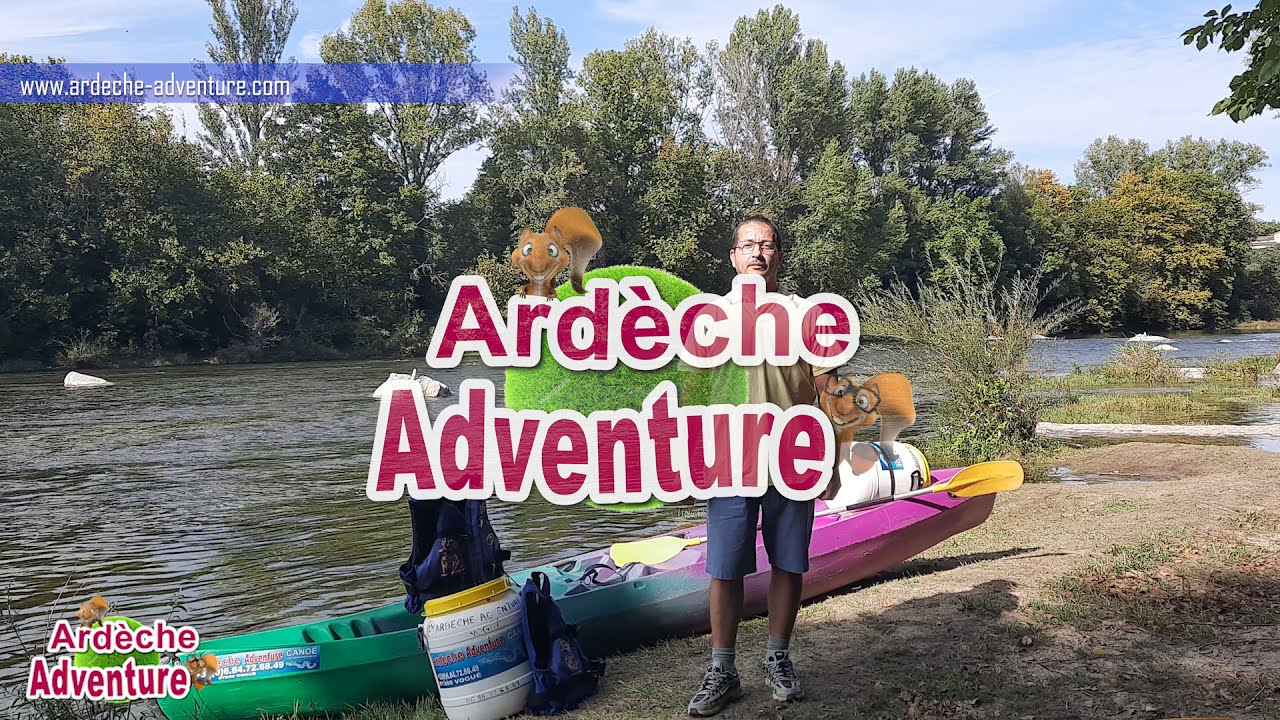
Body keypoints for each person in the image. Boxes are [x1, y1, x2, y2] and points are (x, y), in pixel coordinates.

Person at [687, 215, 842, 716]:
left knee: (789, 560)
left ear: (779, 257)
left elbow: (830, 390)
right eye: (747, 244)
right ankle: (722, 669)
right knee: (724, 565)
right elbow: (686, 394)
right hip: (730, 455)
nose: (757, 252)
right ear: (732, 256)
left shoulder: (805, 315)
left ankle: (778, 658)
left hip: (793, 455)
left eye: (767, 245)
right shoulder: (707, 319)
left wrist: (836, 451)